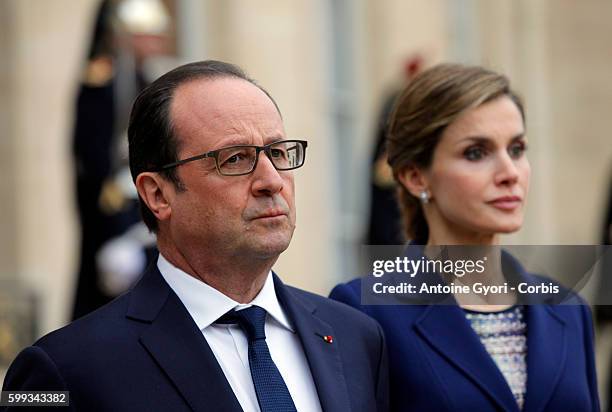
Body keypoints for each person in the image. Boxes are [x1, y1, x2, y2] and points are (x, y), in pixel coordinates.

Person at [2, 60, 389, 412]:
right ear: (158, 194)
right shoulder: (65, 369)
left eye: (278, 152)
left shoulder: (356, 337)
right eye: (234, 159)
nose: (272, 181)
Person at [331, 63, 599, 411]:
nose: (509, 173)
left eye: (517, 149)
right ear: (416, 177)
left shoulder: (568, 310)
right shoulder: (364, 311)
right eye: (476, 153)